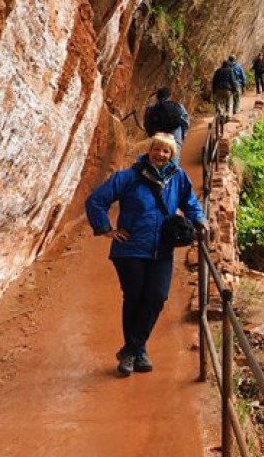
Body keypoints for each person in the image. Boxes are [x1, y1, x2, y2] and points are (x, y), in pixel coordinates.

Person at [86, 133, 207, 377]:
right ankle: (137, 353)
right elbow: (96, 201)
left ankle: (131, 350)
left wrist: (200, 219)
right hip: (130, 249)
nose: (160, 155)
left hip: (161, 249)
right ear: (149, 151)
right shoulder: (128, 178)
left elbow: (190, 201)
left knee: (157, 296)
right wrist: (107, 229)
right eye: (157, 150)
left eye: (166, 152)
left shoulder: (178, 177)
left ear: (172, 155)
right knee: (134, 297)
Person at [142, 87, 189, 161]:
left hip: (157, 136)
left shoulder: (151, 108)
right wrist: (183, 135)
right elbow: (185, 122)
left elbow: (147, 124)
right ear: (169, 96)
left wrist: (151, 134)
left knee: (156, 159)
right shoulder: (178, 106)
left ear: (157, 97)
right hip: (175, 136)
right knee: (174, 158)